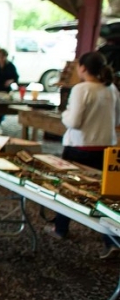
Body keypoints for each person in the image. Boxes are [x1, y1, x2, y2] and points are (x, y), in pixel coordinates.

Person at [45, 51, 120, 259]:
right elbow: (117, 120)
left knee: (67, 188)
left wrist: (64, 115)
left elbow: (74, 122)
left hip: (80, 146)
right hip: (106, 148)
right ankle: (111, 239)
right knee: (103, 194)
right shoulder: (111, 89)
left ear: (83, 68)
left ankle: (60, 228)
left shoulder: (81, 89)